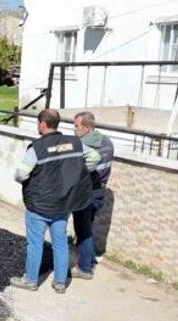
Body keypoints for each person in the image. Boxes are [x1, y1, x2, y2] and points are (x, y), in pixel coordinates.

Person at [10, 109, 98, 293]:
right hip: (62, 204)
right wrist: (80, 172)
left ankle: (31, 280)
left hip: (39, 205)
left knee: (35, 243)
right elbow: (94, 157)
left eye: (38, 123)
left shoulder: (37, 148)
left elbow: (21, 174)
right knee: (60, 243)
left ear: (42, 124)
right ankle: (60, 283)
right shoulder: (74, 143)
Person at [71, 111, 115, 280]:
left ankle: (85, 268)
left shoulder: (83, 147)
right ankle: (88, 259)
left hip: (86, 192)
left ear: (87, 128)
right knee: (87, 227)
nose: (74, 129)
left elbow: (78, 171)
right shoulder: (108, 142)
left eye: (76, 126)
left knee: (83, 230)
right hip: (99, 191)